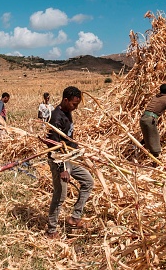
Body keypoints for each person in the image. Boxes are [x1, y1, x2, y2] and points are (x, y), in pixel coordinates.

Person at [45, 86, 94, 239]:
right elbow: (53, 145)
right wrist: (61, 169)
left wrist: (79, 152)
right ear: (65, 100)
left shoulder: (67, 112)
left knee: (88, 182)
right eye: (74, 104)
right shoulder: (56, 117)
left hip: (71, 158)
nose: (76, 107)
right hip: (60, 161)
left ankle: (75, 217)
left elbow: (68, 138)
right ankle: (51, 230)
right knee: (60, 195)